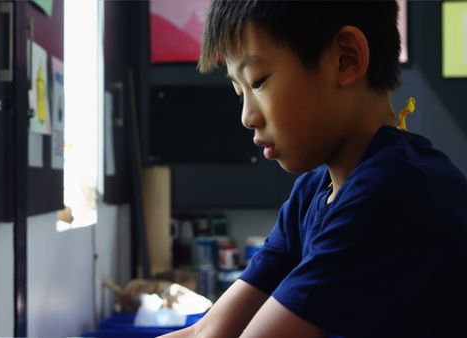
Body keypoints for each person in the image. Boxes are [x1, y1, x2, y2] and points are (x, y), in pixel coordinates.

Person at [160, 1, 467, 337]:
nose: (247, 116)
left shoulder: (397, 192)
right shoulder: (313, 193)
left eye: (258, 81)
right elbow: (206, 333)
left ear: (345, 59)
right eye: (239, 92)